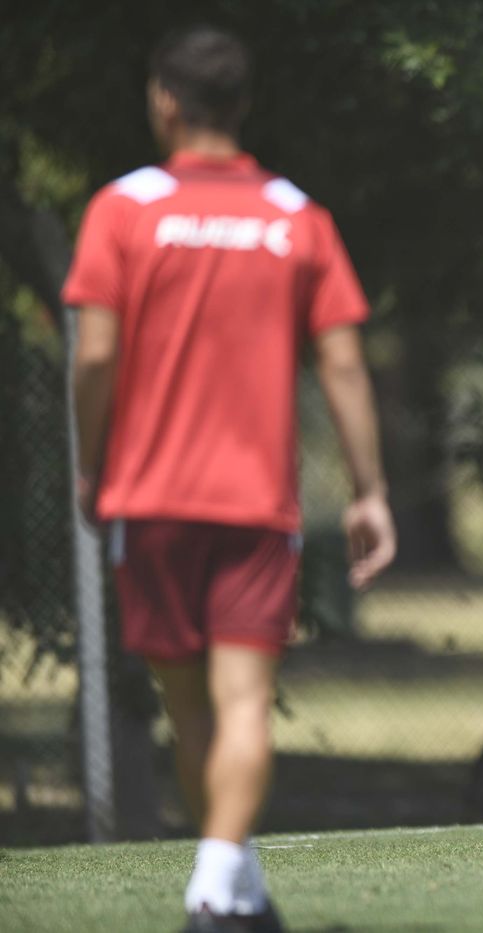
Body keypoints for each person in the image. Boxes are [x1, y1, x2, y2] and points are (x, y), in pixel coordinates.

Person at [65, 26, 396, 928]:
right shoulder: (297, 215)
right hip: (257, 503)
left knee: (188, 707)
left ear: (164, 100)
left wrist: (92, 460)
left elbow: (94, 357)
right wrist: (369, 489)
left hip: (150, 498)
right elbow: (343, 364)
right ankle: (234, 887)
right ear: (243, 107)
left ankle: (214, 889)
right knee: (246, 700)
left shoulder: (122, 208)